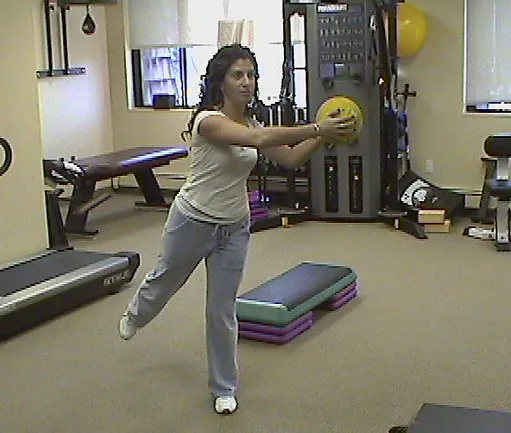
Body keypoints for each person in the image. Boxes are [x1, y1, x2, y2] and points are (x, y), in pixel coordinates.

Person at [118, 44, 356, 415]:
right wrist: (316, 126)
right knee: (165, 281)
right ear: (221, 82)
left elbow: (291, 157)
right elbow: (259, 143)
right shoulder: (207, 121)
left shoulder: (253, 123)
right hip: (193, 219)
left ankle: (223, 387)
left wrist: (325, 136)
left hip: (235, 227)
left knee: (222, 309)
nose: (247, 82)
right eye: (238, 75)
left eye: (251, 75)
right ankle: (137, 313)